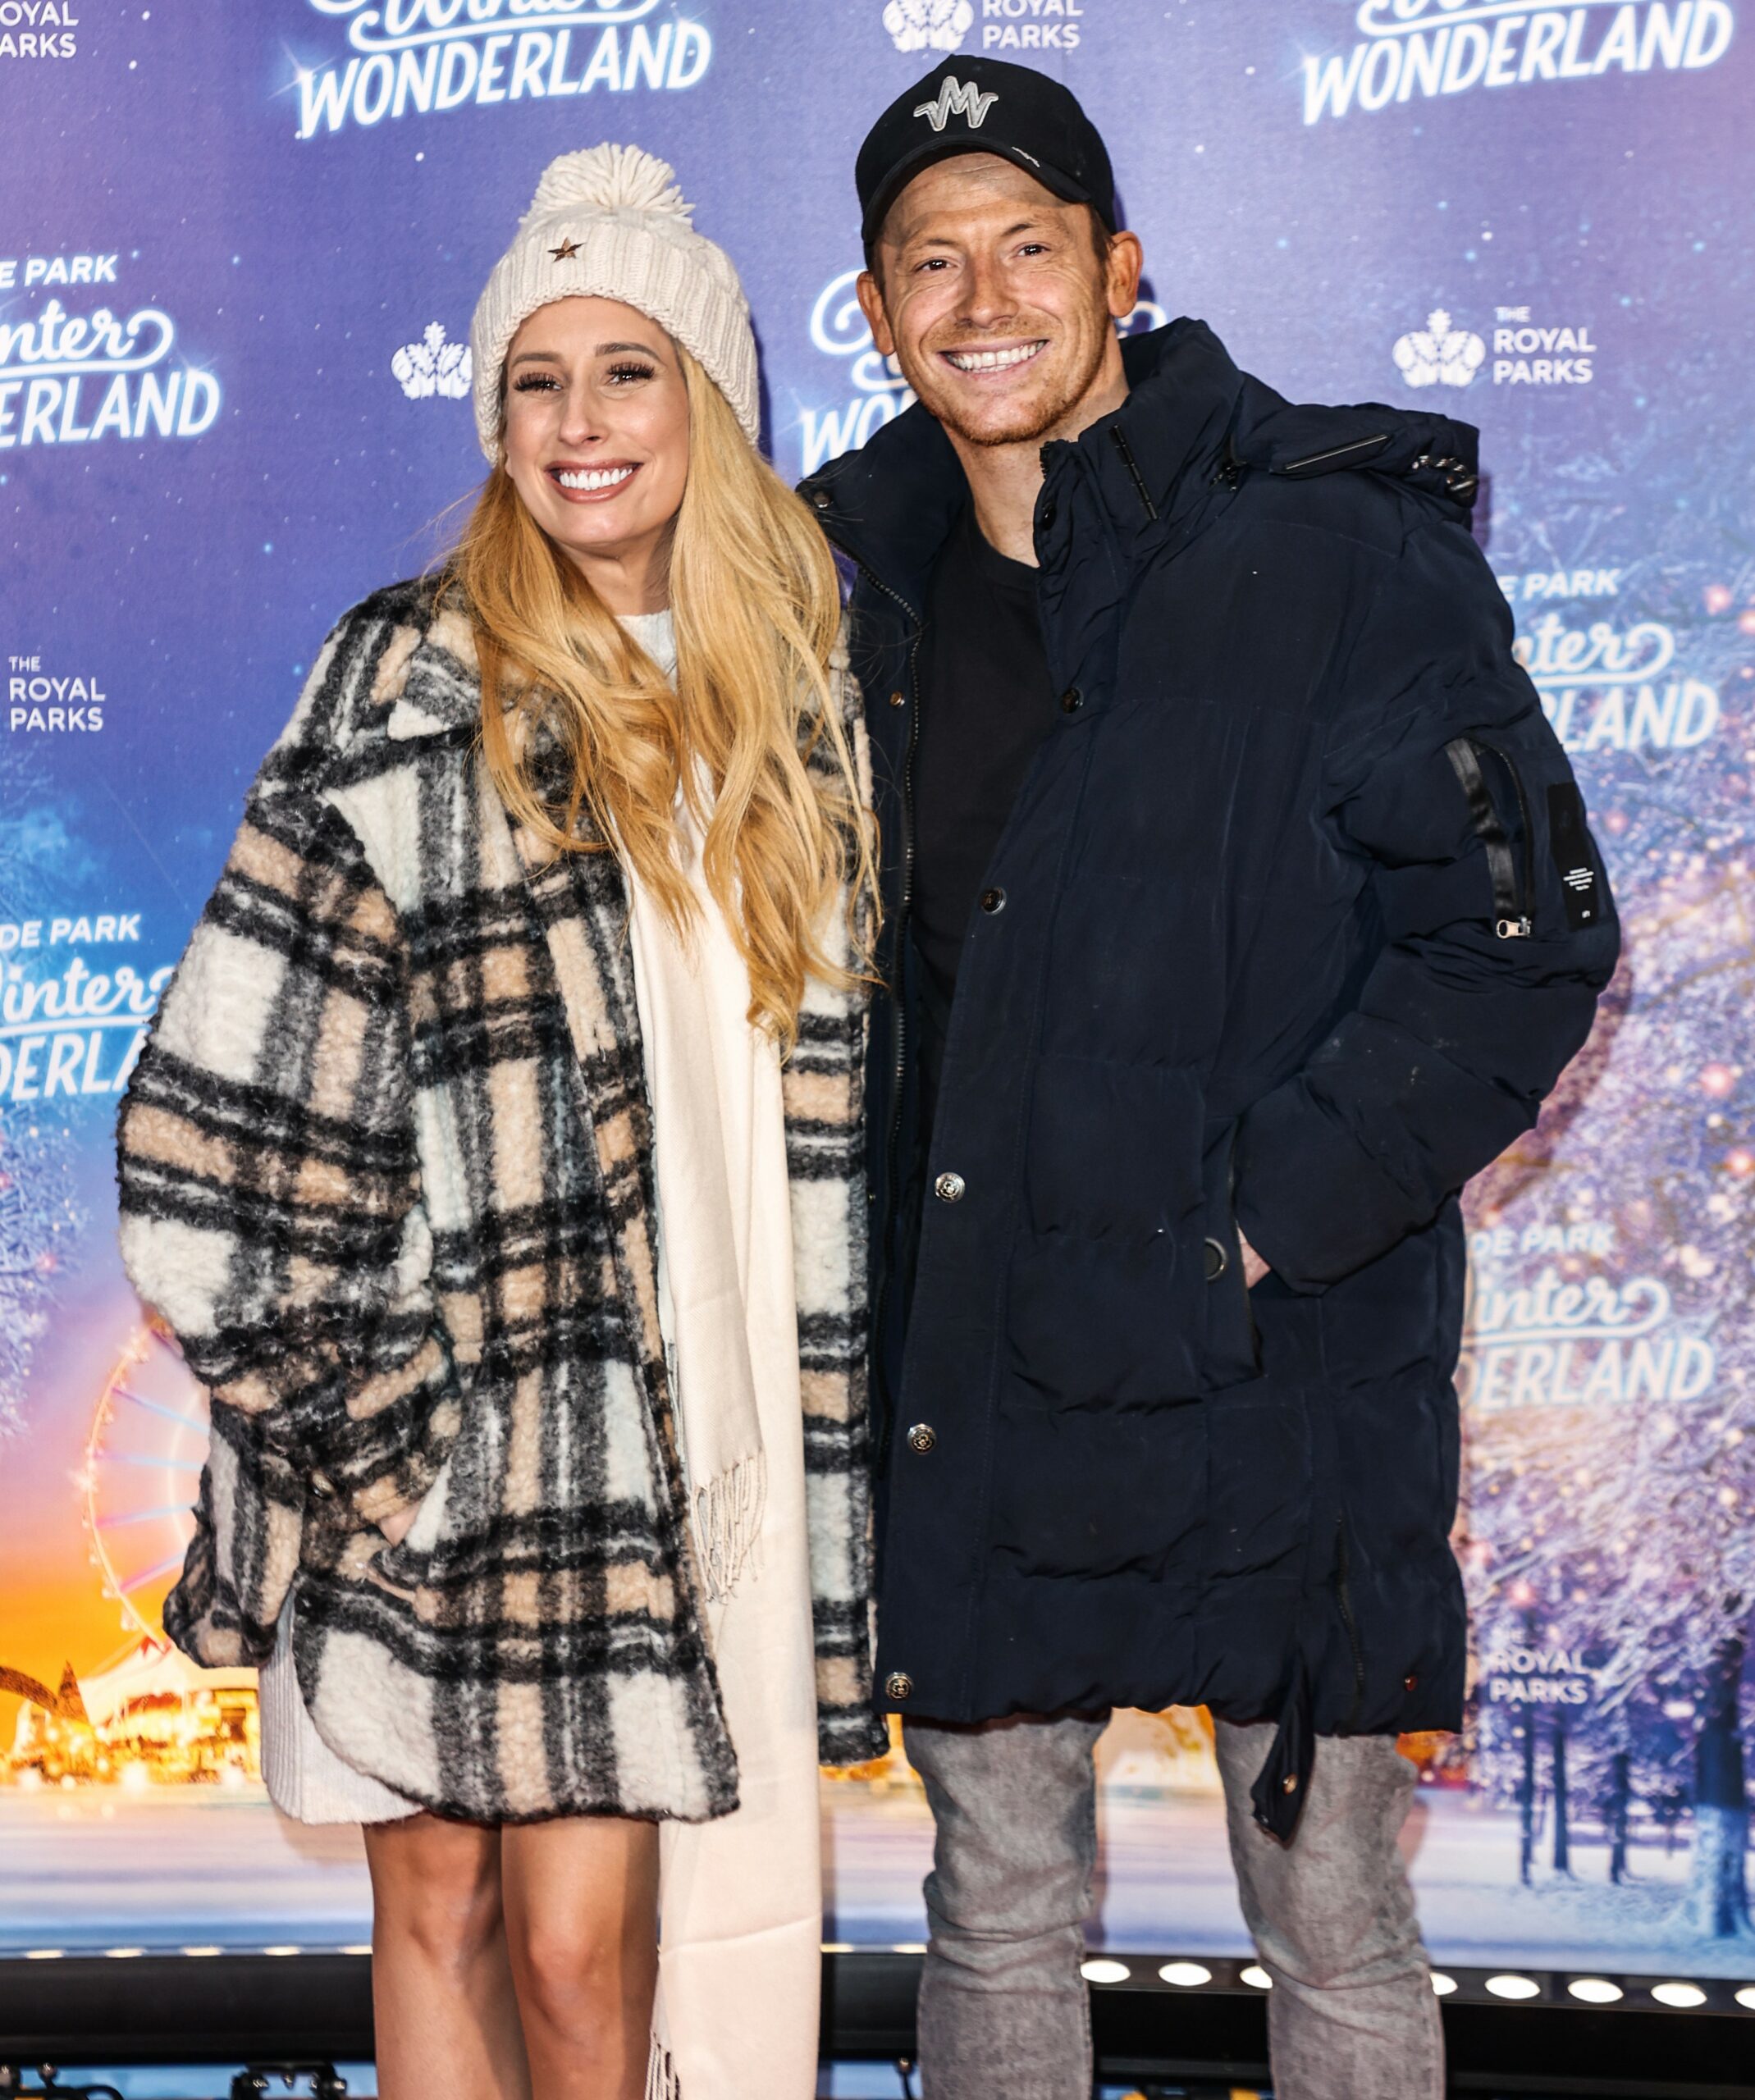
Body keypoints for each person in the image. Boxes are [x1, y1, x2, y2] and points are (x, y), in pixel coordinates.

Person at [800, 57, 1618, 2100]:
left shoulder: (1336, 551)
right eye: (930, 263)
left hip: (1283, 1380)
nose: (981, 300)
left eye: (1026, 248)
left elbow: (1520, 943)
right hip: (978, 1361)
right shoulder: (831, 584)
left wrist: (1254, 1226)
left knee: (1332, 1919)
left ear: (1118, 266)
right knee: (993, 1909)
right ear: (877, 307)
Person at [117, 144, 884, 2100]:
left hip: (702, 1443)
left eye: (625, 369)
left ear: (706, 395)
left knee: (596, 1965)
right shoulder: (406, 674)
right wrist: (391, 1435)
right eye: (534, 379)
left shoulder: (796, 701)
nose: (576, 423)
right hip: (453, 1441)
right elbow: (214, 1126)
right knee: (463, 1922)